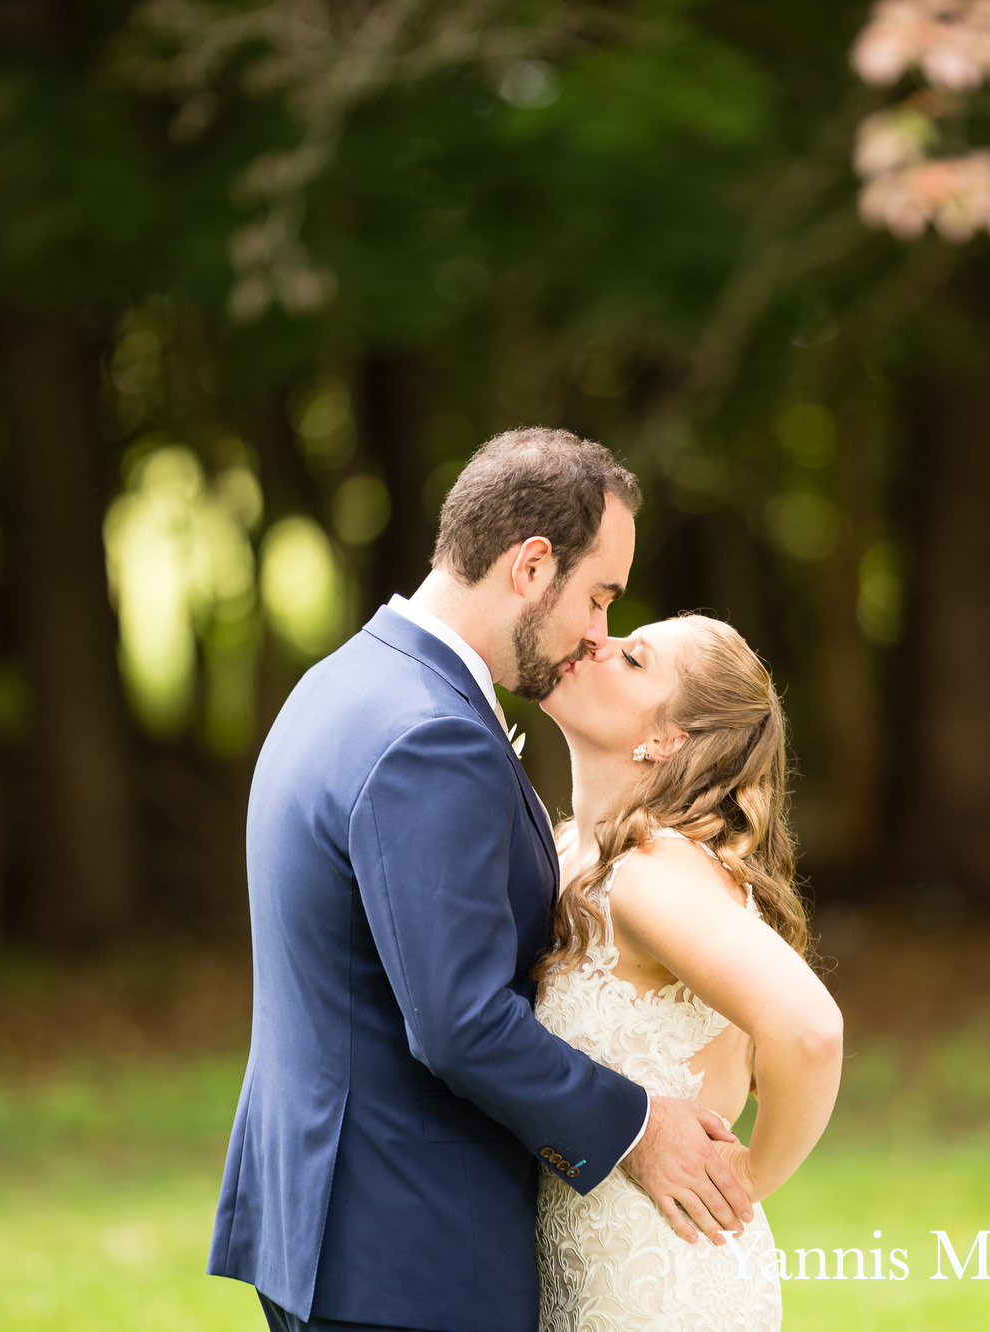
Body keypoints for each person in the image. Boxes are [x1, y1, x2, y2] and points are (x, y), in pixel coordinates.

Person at [208, 427, 754, 1332]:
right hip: (408, 1254)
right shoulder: (434, 733)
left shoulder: (345, 683)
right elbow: (459, 1023)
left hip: (327, 1226)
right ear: (532, 565)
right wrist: (638, 1129)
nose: (599, 632)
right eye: (598, 597)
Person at [534, 613, 845, 1331]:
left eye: (633, 659)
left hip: (658, 1281)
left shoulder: (652, 870)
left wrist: (747, 1179)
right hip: (580, 1272)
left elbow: (812, 1032)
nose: (596, 644)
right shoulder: (571, 849)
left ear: (667, 738)